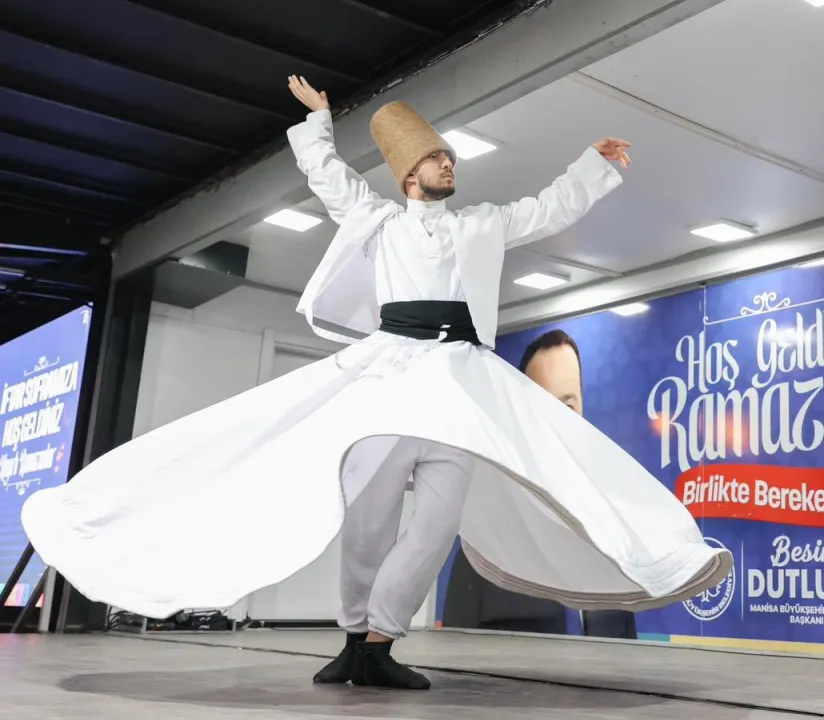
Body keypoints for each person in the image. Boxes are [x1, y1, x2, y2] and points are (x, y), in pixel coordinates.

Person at [20, 76, 731, 690]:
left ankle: (380, 641)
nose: (448, 164)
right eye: (436, 158)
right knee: (367, 525)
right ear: (408, 176)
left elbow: (549, 207)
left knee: (435, 528)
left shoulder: (483, 224)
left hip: (462, 391)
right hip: (389, 382)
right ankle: (356, 639)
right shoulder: (380, 222)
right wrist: (318, 123)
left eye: (450, 156)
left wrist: (592, 165)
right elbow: (328, 178)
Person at [443, 329, 636, 640]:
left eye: (568, 407)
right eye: (542, 406)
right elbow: (455, 658)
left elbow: (627, 651)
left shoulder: (610, 543)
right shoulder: (485, 551)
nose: (557, 422)